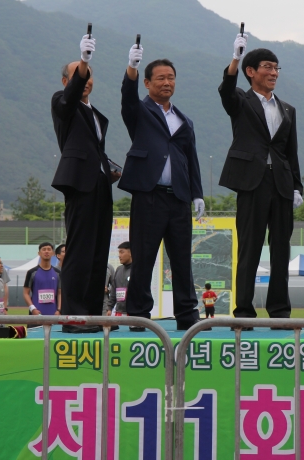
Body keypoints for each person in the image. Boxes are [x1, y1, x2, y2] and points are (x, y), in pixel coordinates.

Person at [118, 44, 205, 332]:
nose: (167, 82)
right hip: (149, 195)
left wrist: (197, 194)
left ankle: (187, 315)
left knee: (181, 259)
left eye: (171, 78)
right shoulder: (139, 111)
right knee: (143, 257)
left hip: (178, 198)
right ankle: (139, 315)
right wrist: (131, 68)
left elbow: (191, 159)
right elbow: (127, 97)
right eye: (160, 78)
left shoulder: (184, 120)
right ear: (147, 82)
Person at [218, 33, 303, 329]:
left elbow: (291, 152)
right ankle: (243, 312)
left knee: (281, 248)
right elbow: (226, 89)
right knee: (250, 248)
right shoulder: (241, 101)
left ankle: (279, 311)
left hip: (281, 183)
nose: (273, 72)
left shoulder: (287, 109)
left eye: (276, 68)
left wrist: (297, 186)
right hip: (251, 182)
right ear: (251, 71)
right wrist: (236, 58)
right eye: (267, 67)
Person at [50, 33, 121, 332]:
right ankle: (74, 317)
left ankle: (92, 314)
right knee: (79, 252)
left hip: (101, 187)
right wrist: (84, 60)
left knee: (98, 253)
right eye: (80, 74)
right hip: (79, 185)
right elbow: (69, 98)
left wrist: (110, 169)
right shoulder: (62, 102)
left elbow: (95, 150)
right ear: (66, 81)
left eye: (89, 75)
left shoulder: (95, 114)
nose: (86, 79)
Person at [23, 243, 62, 316]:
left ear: (53, 253)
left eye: (49, 249)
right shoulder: (31, 272)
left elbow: (60, 293)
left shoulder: (58, 273)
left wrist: (59, 310)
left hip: (54, 314)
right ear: (39, 253)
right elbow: (25, 293)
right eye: (44, 249)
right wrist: (33, 309)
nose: (46, 251)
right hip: (36, 315)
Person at [106, 242, 132, 318]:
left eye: (122, 252)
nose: (119, 255)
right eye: (119, 252)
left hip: (133, 313)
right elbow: (114, 290)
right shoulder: (119, 269)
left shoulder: (137, 270)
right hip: (119, 312)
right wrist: (109, 308)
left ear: (131, 253)